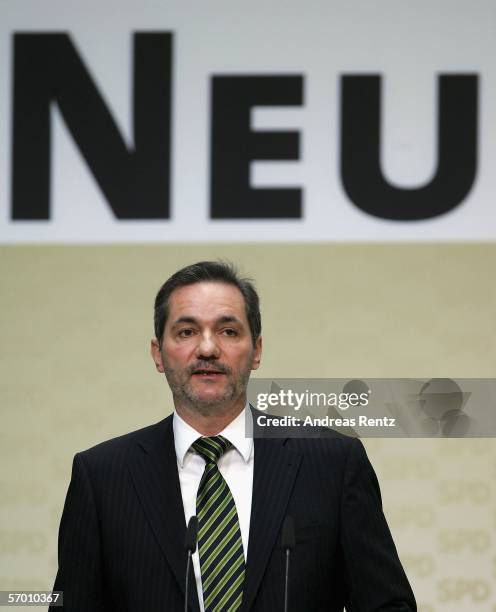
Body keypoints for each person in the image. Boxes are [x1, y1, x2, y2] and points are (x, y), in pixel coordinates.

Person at [50, 261, 416, 611]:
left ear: (256, 350)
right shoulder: (101, 477)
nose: (208, 349)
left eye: (228, 331)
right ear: (157, 354)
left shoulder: (332, 463)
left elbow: (387, 605)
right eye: (186, 331)